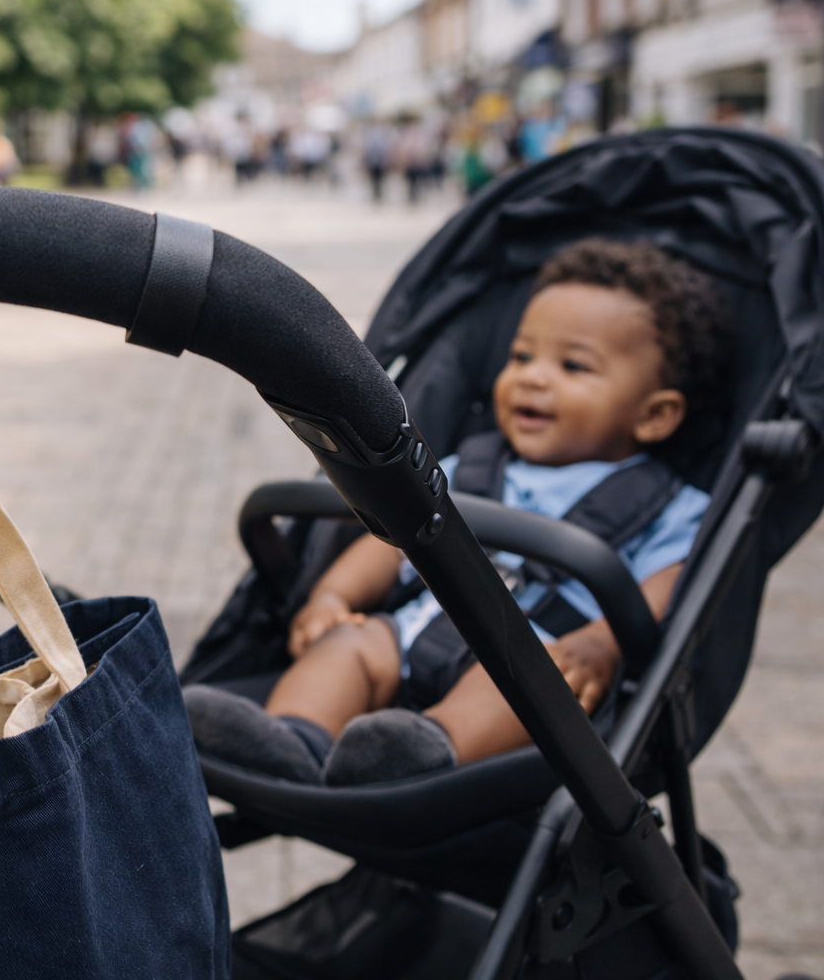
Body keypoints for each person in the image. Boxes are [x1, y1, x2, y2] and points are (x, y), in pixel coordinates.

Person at [185, 239, 732, 786]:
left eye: (573, 366)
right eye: (521, 357)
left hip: (540, 657)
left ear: (655, 416)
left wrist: (600, 646)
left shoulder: (672, 507)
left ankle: (428, 753)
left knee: (528, 689)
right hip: (414, 634)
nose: (533, 377)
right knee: (351, 645)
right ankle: (292, 739)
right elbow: (391, 543)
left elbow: (665, 592)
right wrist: (333, 597)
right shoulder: (470, 465)